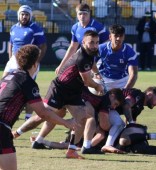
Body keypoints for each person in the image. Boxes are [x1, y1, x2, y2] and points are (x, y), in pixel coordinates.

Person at [0, 44, 76, 170]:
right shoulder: (27, 81)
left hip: (3, 129)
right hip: (1, 128)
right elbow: (43, 113)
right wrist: (66, 122)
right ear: (35, 64)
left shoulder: (9, 76)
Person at [28, 30, 105, 159]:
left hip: (72, 92)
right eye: (92, 42)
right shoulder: (82, 57)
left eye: (97, 43)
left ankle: (71, 150)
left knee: (82, 117)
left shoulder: (89, 54)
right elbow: (86, 81)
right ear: (83, 42)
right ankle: (17, 133)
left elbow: (92, 64)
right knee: (42, 115)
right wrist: (97, 85)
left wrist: (97, 74)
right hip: (60, 89)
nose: (95, 45)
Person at [3, 5, 47, 120]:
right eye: (22, 14)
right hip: (14, 60)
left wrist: (36, 62)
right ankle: (7, 109)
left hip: (29, 61)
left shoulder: (35, 28)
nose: (24, 16)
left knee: (27, 88)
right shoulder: (13, 28)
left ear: (30, 16)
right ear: (19, 15)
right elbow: (11, 44)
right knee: (4, 84)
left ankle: (27, 117)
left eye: (27, 14)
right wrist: (10, 58)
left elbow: (43, 46)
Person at [100, 86, 156, 153]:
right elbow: (126, 105)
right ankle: (108, 145)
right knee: (120, 124)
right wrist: (131, 123)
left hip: (110, 110)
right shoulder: (139, 94)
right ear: (150, 94)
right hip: (106, 106)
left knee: (121, 127)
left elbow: (129, 123)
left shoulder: (139, 107)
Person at [55, 3, 109, 74]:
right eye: (80, 14)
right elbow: (73, 47)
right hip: (84, 58)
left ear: (89, 14)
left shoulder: (97, 27)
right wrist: (61, 65)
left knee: (93, 82)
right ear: (76, 15)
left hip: (98, 61)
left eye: (85, 13)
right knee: (66, 74)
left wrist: (97, 56)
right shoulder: (75, 28)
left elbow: (108, 43)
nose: (82, 16)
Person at [93, 24, 138, 90]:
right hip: (103, 78)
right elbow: (91, 62)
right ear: (110, 37)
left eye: (121, 36)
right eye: (116, 36)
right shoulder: (101, 48)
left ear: (124, 37)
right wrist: (96, 73)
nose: (118, 38)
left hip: (122, 81)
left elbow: (133, 74)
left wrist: (125, 90)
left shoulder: (130, 53)